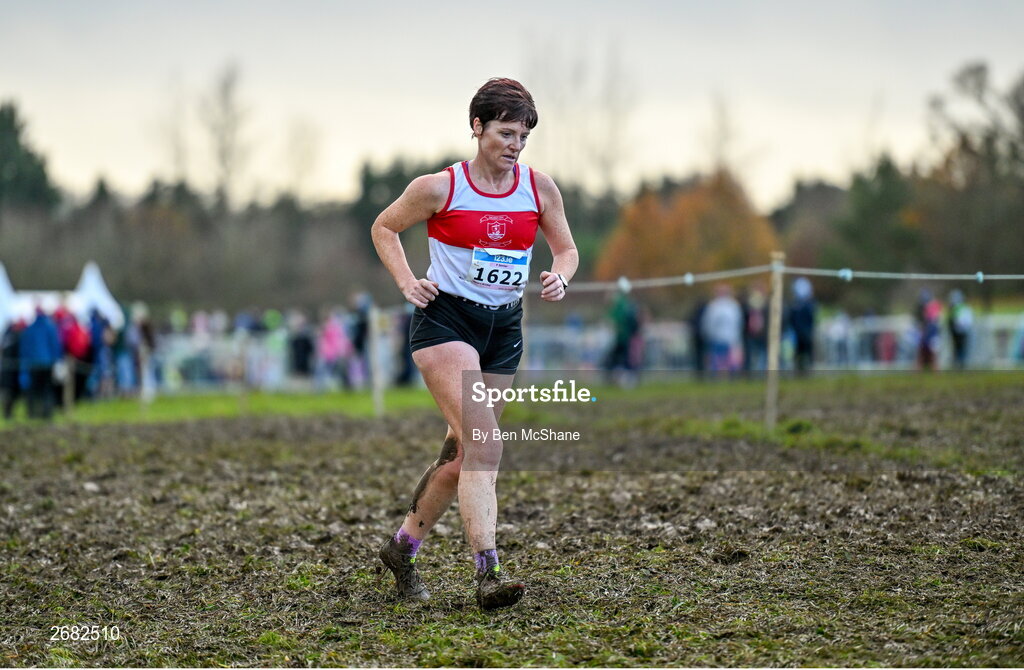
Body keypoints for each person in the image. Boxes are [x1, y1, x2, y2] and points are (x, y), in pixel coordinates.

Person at [371, 78, 577, 610]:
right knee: (485, 445)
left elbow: (566, 250)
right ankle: (488, 572)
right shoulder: (439, 187)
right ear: (477, 127)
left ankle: (403, 547)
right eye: (506, 133)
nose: (515, 145)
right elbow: (384, 228)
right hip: (446, 326)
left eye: (524, 136)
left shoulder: (539, 188)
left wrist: (560, 274)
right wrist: (406, 280)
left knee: (466, 453)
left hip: (504, 331)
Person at [701, 283, 743, 375]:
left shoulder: (732, 306)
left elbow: (737, 323)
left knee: (730, 361)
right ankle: (717, 378)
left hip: (729, 339)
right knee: (716, 361)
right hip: (717, 338)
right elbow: (709, 323)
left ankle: (730, 378)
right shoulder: (714, 306)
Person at [787, 277, 817, 375]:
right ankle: (800, 371)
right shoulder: (798, 305)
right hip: (799, 333)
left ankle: (806, 370)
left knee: (805, 354)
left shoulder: (806, 305)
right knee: (799, 354)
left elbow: (811, 318)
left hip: (804, 333)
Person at [947, 289, 973, 370]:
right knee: (957, 348)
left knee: (961, 348)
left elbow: (967, 320)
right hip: (956, 331)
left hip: (962, 331)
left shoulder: (962, 308)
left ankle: (961, 364)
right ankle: (958, 364)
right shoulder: (954, 308)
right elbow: (951, 320)